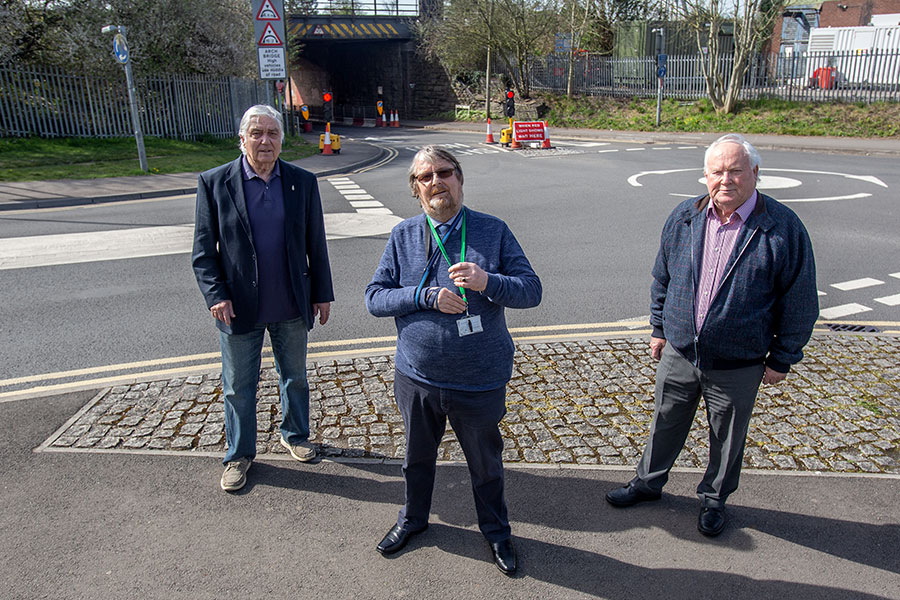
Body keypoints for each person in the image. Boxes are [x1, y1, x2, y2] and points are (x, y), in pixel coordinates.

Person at [606, 133, 818, 536]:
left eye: (736, 170)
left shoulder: (782, 227)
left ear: (754, 173)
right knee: (665, 422)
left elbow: (801, 299)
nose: (726, 179)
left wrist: (782, 357)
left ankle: (714, 499)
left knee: (727, 437)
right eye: (717, 171)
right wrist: (659, 328)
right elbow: (662, 277)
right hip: (680, 351)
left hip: (740, 361)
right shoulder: (685, 217)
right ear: (705, 176)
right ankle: (648, 483)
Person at [365, 146, 541, 574]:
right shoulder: (404, 235)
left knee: (485, 465)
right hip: (417, 376)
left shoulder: (492, 230)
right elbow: (375, 297)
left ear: (459, 179)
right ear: (415, 188)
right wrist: (424, 296)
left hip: (478, 378)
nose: (436, 182)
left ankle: (497, 533)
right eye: (425, 177)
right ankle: (413, 519)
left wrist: (488, 281)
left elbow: (531, 290)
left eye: (444, 172)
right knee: (415, 458)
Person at [192, 104, 334, 492]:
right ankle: (239, 454)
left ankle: (295, 435)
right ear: (242, 139)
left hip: (291, 302)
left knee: (296, 378)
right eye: (256, 133)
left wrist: (321, 294)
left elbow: (315, 244)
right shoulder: (214, 182)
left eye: (272, 133)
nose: (265, 141)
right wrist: (215, 296)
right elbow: (203, 253)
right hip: (238, 307)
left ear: (281, 140)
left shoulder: (302, 182)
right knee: (238, 385)